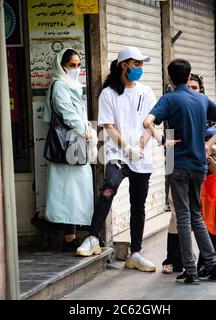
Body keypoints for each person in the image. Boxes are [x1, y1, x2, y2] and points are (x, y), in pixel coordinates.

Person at [143, 59, 216, 285]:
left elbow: (147, 122)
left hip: (179, 166)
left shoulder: (169, 98)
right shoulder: (202, 99)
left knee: (183, 218)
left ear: (170, 78)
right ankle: (214, 267)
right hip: (200, 167)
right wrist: (208, 143)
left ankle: (191, 271)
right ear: (188, 76)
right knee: (197, 216)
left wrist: (162, 140)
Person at [76, 47, 163, 272]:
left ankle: (135, 253)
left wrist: (139, 147)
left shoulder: (146, 92)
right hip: (117, 154)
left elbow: (150, 124)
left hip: (141, 157)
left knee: (138, 205)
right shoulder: (109, 94)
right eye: (137, 64)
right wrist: (127, 149)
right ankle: (93, 237)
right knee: (108, 188)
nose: (140, 69)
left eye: (142, 64)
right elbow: (108, 126)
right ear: (124, 65)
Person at [32, 48, 97, 252]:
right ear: (62, 66)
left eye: (78, 65)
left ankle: (68, 235)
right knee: (68, 192)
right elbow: (68, 114)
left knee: (74, 192)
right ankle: (46, 220)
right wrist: (86, 130)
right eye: (72, 65)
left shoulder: (73, 85)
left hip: (75, 143)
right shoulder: (60, 85)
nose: (76, 69)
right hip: (68, 143)